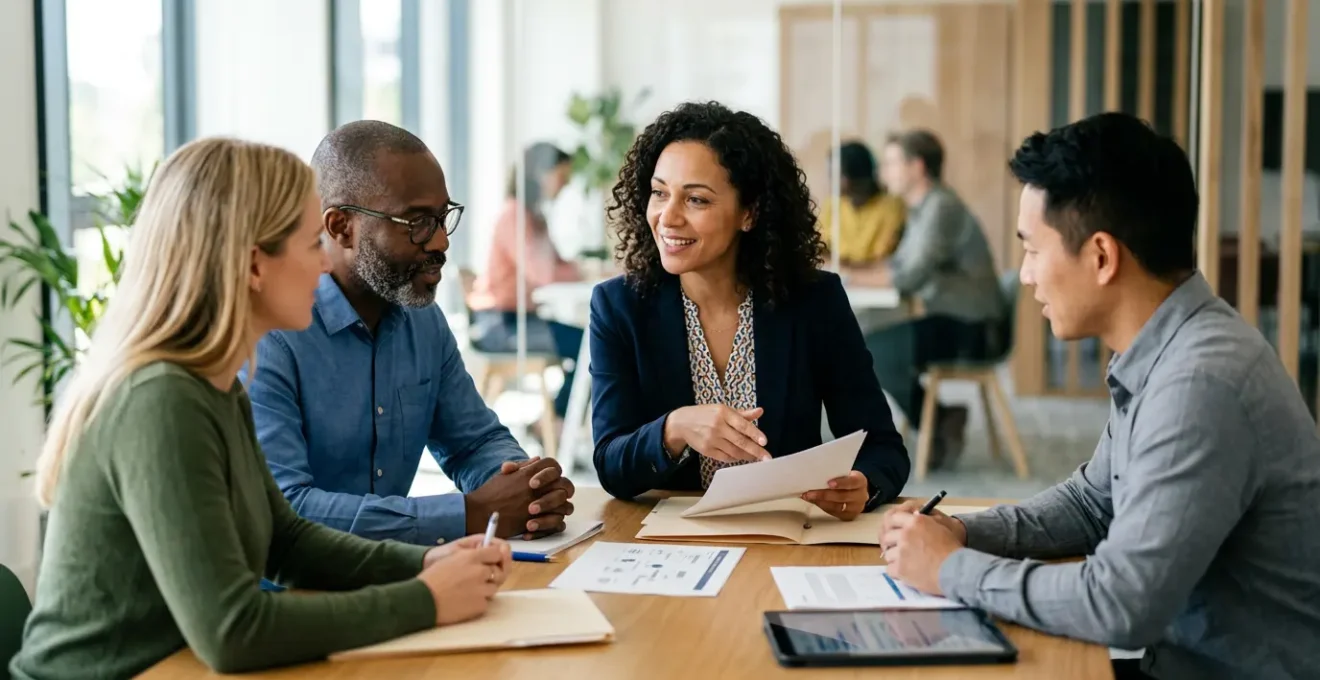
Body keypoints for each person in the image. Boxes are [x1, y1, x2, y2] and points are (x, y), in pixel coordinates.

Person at [9, 138, 513, 679]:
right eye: (310, 244)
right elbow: (232, 631)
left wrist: (427, 563)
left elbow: (287, 540)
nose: (325, 264)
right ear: (254, 266)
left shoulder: (215, 386)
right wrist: (426, 600)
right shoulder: (161, 400)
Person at [880, 113, 1320, 680]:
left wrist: (951, 570)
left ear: (1102, 257)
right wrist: (963, 532)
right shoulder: (1164, 348)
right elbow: (1094, 504)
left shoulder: (1201, 383)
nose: (1027, 276)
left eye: (1033, 250)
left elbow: (1121, 603)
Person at [241, 121, 575, 546]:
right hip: (292, 596)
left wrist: (525, 488)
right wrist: (470, 514)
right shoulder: (272, 333)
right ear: (340, 226)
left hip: (395, 577)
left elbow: (473, 442)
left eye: (442, 218)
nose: (440, 242)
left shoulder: (423, 321)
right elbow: (287, 509)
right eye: (416, 222)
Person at [589, 101, 909, 515]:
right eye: (659, 193)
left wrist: (864, 484)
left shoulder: (814, 300)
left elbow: (882, 448)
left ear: (749, 213)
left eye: (696, 200)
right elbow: (611, 466)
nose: (667, 218)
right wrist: (674, 429)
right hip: (672, 543)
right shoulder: (619, 307)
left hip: (785, 535)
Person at [847, 129, 1005, 466]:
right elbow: (899, 264)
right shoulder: (923, 208)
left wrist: (846, 276)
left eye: (891, 163)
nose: (883, 172)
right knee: (870, 347)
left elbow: (907, 277)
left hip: (974, 330)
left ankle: (942, 421)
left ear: (916, 167)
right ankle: (941, 420)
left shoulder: (941, 209)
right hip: (955, 320)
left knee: (871, 352)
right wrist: (852, 271)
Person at [468, 142, 586, 422]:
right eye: (562, 177)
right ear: (540, 175)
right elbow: (545, 275)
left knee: (594, 343)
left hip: (519, 321)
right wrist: (583, 272)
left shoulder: (532, 216)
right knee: (593, 346)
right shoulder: (516, 216)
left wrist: (584, 270)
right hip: (500, 326)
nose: (564, 186)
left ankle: (554, 422)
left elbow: (558, 266)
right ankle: (555, 423)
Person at [817, 141, 906, 263]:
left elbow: (881, 259)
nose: (829, 180)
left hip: (874, 279)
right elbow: (822, 246)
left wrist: (845, 266)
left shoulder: (892, 207)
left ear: (854, 175)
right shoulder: (832, 204)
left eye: (834, 174)